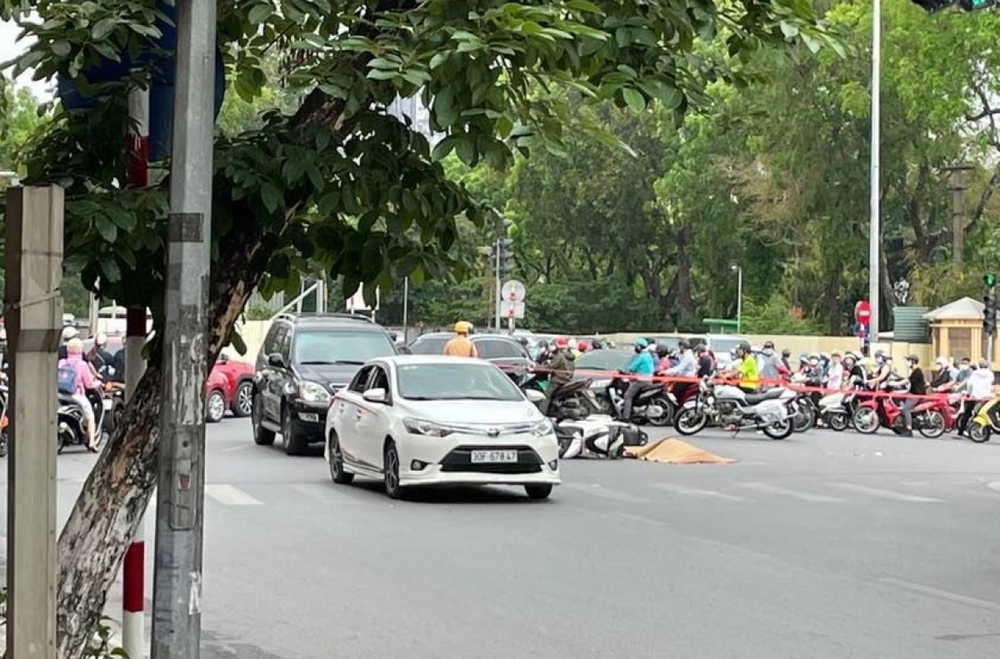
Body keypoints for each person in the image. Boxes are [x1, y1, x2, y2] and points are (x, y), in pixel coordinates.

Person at [58, 338, 101, 451]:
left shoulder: (62, 362)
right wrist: (98, 383)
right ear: (80, 350)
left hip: (60, 394)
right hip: (76, 395)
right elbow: (89, 384)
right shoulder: (82, 364)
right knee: (90, 416)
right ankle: (92, 442)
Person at [957, 359, 994, 437]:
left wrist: (970, 393)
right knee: (983, 412)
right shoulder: (990, 374)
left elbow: (970, 384)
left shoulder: (975, 373)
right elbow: (991, 383)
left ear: (979, 365)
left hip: (975, 396)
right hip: (985, 396)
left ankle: (961, 430)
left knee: (967, 413)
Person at [621, 338, 655, 421]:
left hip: (641, 381)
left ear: (640, 347)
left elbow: (632, 367)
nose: (635, 348)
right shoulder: (648, 355)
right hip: (649, 380)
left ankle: (626, 417)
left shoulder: (642, 356)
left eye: (636, 346)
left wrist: (625, 370)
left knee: (627, 396)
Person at [540, 337, 575, 415]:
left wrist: (538, 367)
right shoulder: (569, 355)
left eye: (553, 344)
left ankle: (542, 413)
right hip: (567, 378)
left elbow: (551, 366)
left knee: (546, 396)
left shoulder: (560, 356)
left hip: (558, 379)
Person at [898, 354, 926, 437]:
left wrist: (895, 383)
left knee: (906, 409)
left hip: (916, 395)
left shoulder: (917, 371)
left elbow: (907, 380)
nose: (907, 363)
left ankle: (909, 429)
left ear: (913, 362)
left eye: (908, 361)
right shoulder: (914, 371)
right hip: (912, 393)